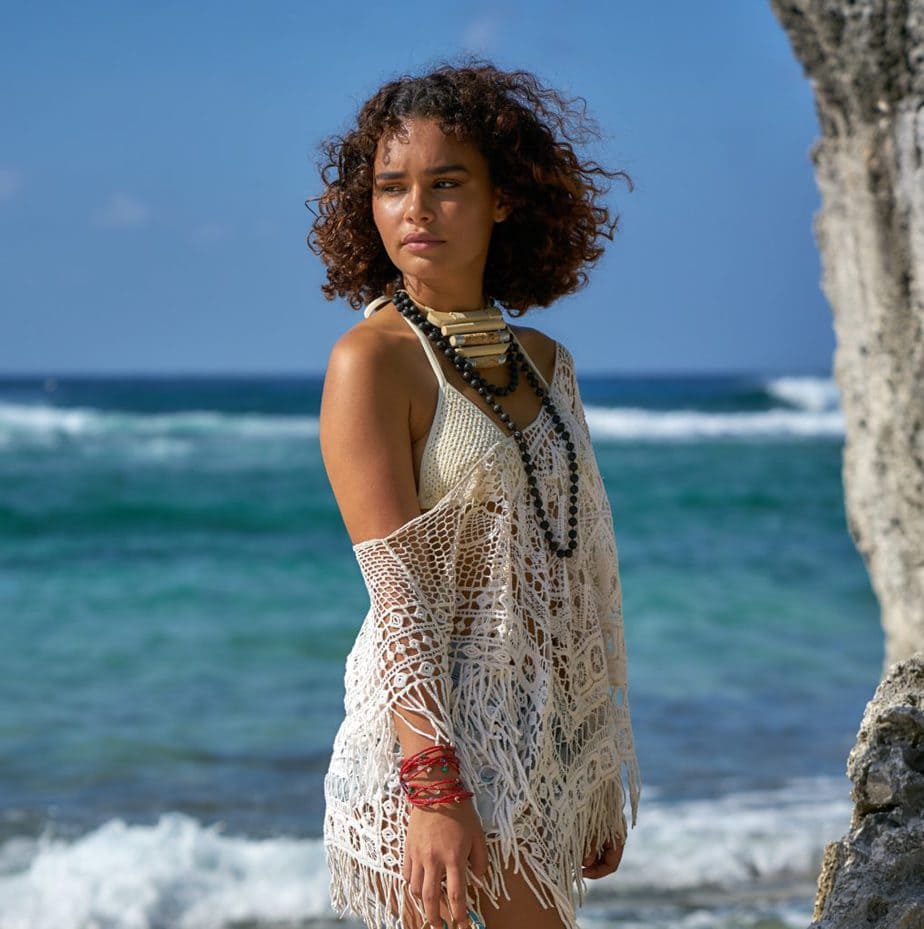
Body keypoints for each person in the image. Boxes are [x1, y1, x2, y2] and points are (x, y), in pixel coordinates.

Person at [308, 58, 642, 929]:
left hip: (536, 751)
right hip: (428, 761)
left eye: (445, 182)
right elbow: (400, 594)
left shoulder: (547, 362)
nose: (415, 209)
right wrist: (435, 790)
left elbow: (576, 573)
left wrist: (593, 761)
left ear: (503, 197)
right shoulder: (370, 363)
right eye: (390, 187)